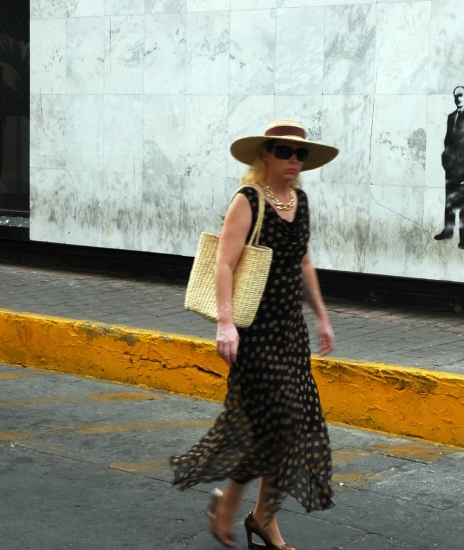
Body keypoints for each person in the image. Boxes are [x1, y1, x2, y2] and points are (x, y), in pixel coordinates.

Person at [170, 120, 339, 549]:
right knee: (277, 421)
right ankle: (239, 507)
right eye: (284, 152)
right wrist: (226, 324)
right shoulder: (247, 201)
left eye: (299, 154)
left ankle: (259, 515)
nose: (293, 161)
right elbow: (223, 264)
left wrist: (321, 315)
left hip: (290, 333)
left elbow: (303, 264)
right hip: (255, 333)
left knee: (286, 426)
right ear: (265, 154)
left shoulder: (299, 200)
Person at [434, 85, 464, 249]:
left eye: (461, 95)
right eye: (455, 96)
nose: (458, 98)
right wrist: (444, 158)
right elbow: (447, 141)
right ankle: (448, 231)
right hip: (451, 167)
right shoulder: (451, 116)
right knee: (450, 201)